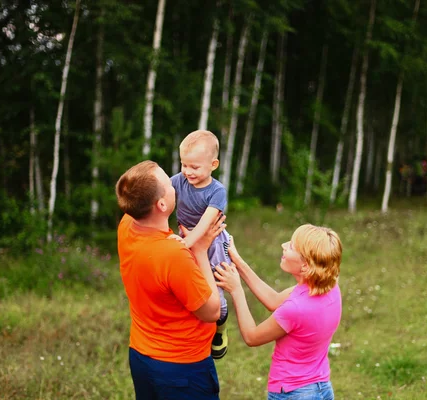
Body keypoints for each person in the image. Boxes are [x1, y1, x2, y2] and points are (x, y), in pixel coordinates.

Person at [116, 160, 225, 400]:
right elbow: (211, 312)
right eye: (169, 182)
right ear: (162, 204)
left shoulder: (127, 225)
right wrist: (199, 249)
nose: (177, 183)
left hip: (142, 358)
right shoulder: (173, 255)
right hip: (182, 370)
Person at [215, 225, 343, 400]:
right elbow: (273, 300)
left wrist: (236, 290)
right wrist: (237, 261)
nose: (283, 245)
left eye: (291, 246)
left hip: (293, 393)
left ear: (305, 266)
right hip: (321, 389)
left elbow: (252, 337)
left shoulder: (296, 309)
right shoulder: (329, 287)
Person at [171, 130, 231, 359]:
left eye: (194, 167)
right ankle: (189, 330)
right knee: (186, 285)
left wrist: (186, 244)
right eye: (184, 165)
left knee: (214, 288)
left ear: (213, 164)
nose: (187, 171)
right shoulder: (180, 180)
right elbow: (161, 193)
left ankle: (220, 327)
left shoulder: (217, 191)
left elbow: (206, 223)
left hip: (213, 242)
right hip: (185, 240)